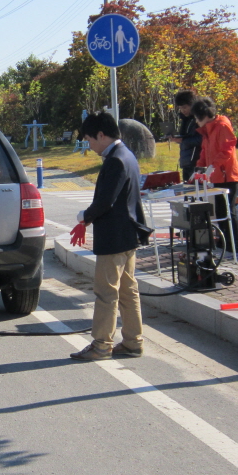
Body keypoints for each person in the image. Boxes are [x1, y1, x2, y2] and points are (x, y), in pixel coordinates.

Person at [69, 112, 150, 361]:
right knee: (127, 291)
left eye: (90, 139)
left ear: (101, 135)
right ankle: (133, 341)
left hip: (114, 237)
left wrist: (83, 217)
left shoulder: (115, 160)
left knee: (106, 292)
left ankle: (102, 344)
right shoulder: (127, 155)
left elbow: (106, 201)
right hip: (128, 235)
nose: (89, 145)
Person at [192, 97, 238, 254]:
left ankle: (235, 246)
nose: (195, 121)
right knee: (220, 212)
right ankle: (224, 242)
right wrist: (200, 166)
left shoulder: (222, 126)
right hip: (217, 175)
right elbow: (205, 150)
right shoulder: (209, 129)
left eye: (196, 117)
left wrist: (213, 166)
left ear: (203, 116)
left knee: (228, 211)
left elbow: (227, 149)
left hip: (228, 175)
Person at [168, 90, 202, 182]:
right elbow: (185, 137)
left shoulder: (199, 119)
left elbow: (201, 139)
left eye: (185, 107)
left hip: (196, 161)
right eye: (180, 108)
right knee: (187, 190)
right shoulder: (185, 120)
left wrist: (183, 140)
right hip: (186, 161)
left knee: (196, 191)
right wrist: (176, 138)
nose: (183, 110)